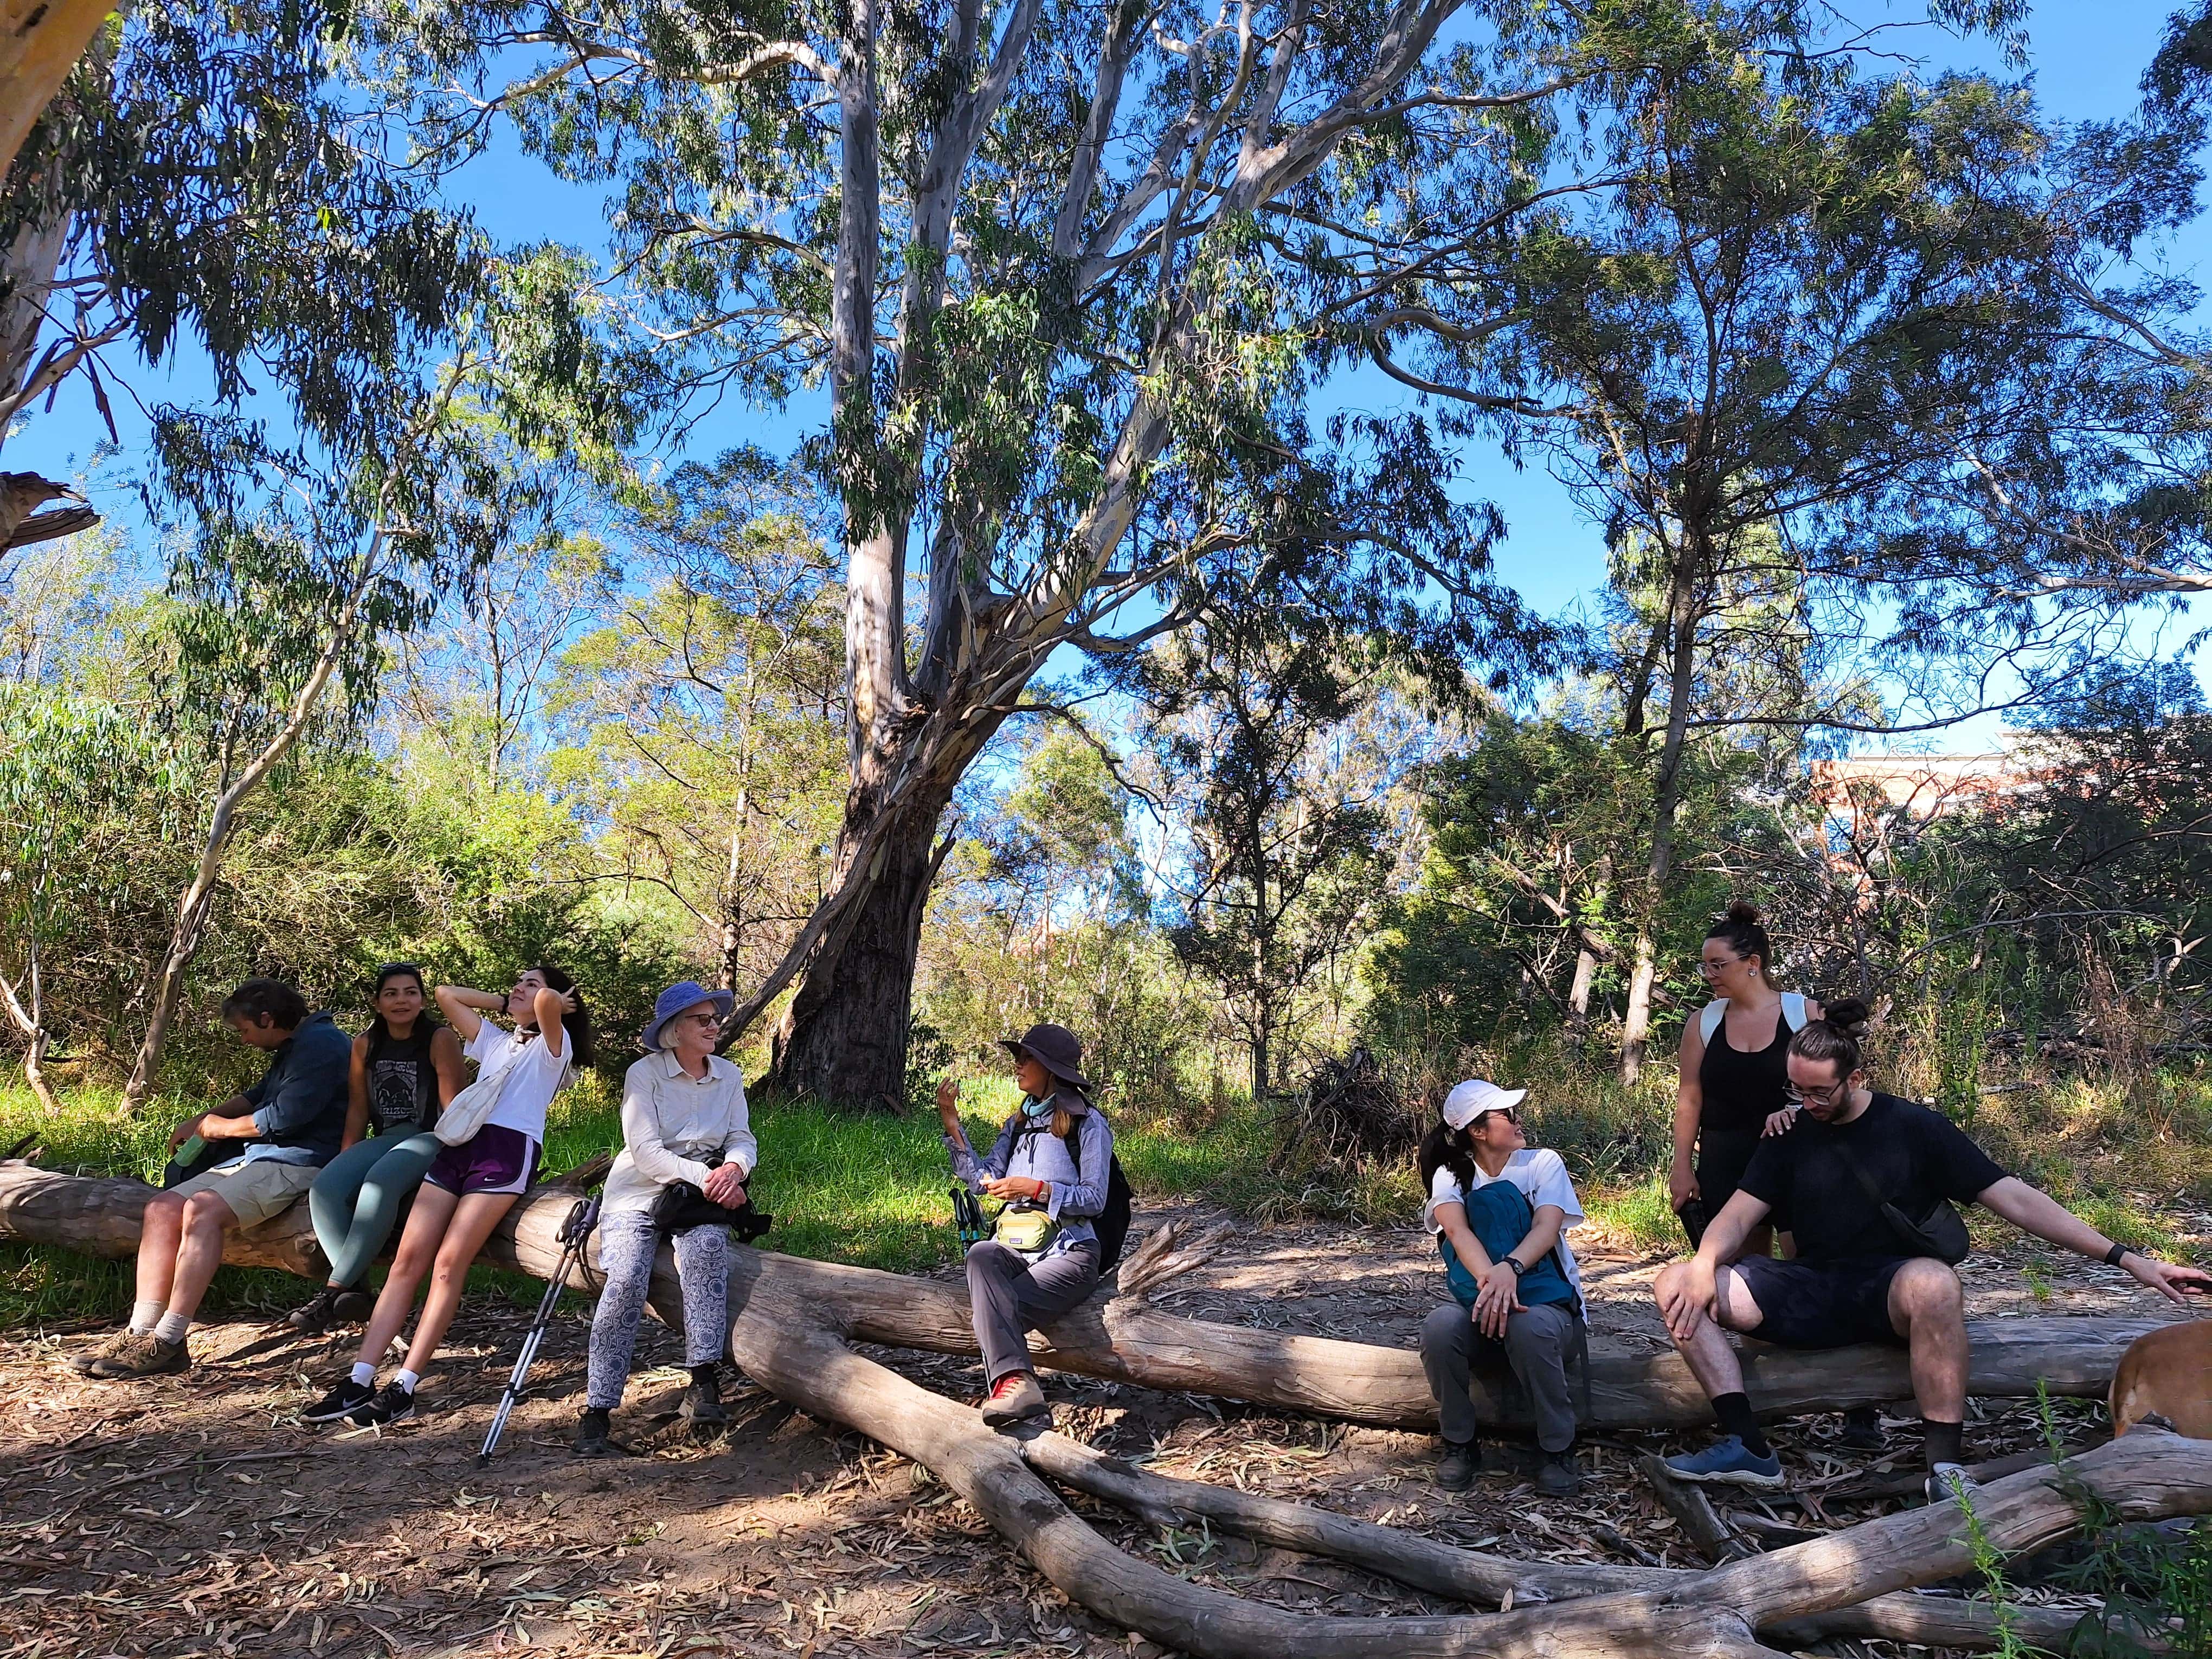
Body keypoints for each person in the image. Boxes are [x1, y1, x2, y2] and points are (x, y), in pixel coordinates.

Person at [1654, 1000, 2212, 1494]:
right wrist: (1705, 1263)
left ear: (1856, 1077)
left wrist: (2128, 1259)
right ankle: (1749, 1447)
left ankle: (1944, 1468)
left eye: (1819, 1091)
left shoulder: (1913, 1127)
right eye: (1796, 1090)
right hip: (1813, 1287)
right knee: (1675, 1281)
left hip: (1892, 1290)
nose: (1808, 1103)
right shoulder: (1789, 1131)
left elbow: (2016, 1200)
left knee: (1935, 1281)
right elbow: (1738, 1214)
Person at [302, 965, 593, 1427]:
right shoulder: (500, 1042)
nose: (517, 987)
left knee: (447, 1265)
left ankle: (407, 1384)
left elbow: (545, 1009)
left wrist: (548, 999)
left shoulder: (554, 1049)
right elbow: (445, 993)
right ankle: (360, 1378)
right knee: (406, 1261)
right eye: (515, 979)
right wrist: (507, 1002)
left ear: (558, 1000)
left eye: (530, 982)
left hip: (506, 1151)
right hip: (460, 1143)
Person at [75, 980, 350, 1380]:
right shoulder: (296, 1043)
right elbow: (259, 1096)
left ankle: (169, 1339)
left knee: (202, 1210)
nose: (244, 1040)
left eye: (245, 1030)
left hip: (299, 1161)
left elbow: (284, 1117)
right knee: (161, 1207)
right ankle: (139, 1330)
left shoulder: (323, 1045)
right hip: (261, 1157)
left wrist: (220, 1129)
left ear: (267, 1019)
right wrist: (202, 1119)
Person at [573, 980, 758, 1457]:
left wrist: (735, 1168)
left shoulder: (728, 1075)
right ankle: (597, 1411)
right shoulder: (645, 1074)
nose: (714, 1025)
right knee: (627, 1280)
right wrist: (709, 1177)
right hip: (638, 1194)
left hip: (698, 1198)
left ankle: (703, 1382)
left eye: (715, 1017)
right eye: (703, 1019)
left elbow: (742, 1136)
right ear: (675, 1031)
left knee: (708, 1256)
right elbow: (647, 1153)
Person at [936, 1022, 1114, 1429]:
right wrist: (952, 1125)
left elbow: (1095, 1198)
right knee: (981, 1255)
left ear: (1050, 1068)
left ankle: (1013, 1390)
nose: (1018, 1064)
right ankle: (1020, 1385)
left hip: (1071, 1252)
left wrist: (1037, 1189)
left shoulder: (1088, 1125)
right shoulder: (1016, 1124)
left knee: (993, 1307)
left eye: (1027, 1057)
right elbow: (981, 1182)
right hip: (1015, 1249)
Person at [1418, 1079, 1589, 1497]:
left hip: (1545, 1305)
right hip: (1483, 1302)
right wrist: (1494, 1284)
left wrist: (1510, 1269)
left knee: (1529, 1328)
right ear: (1477, 1131)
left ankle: (1557, 1447)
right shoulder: (1450, 1175)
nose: (1517, 1119)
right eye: (1506, 1114)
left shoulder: (1542, 1163)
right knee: (1439, 1327)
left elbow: (1547, 1227)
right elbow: (1456, 1230)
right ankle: (1459, 1442)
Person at [288, 964, 466, 1333]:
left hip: (434, 1135)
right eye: (391, 993)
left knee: (380, 1183)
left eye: (410, 992)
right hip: (389, 1135)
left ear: (421, 999)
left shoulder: (439, 1039)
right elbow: (358, 1108)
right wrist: (346, 1157)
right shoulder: (365, 1044)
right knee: (326, 1188)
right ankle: (357, 1291)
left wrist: (460, 1158)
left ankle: (333, 1291)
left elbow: (455, 1109)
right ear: (377, 1002)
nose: (402, 1000)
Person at [1672, 901, 1821, 1258]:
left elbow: (1836, 1089)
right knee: (1741, 1278)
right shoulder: (1702, 1023)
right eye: (1705, 966)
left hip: (1796, 1158)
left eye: (1719, 965)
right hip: (1723, 1164)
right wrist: (1681, 1167)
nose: (1709, 974)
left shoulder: (1806, 1015)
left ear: (1753, 963)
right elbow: (1689, 1099)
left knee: (1808, 1269)